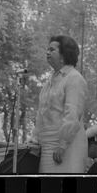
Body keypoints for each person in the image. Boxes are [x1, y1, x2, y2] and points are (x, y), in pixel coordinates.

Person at [31, 35, 88, 173]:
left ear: (64, 54)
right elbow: (41, 116)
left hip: (66, 147)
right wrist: (34, 140)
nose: (47, 52)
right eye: (47, 49)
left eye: (52, 50)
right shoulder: (48, 83)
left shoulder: (75, 78)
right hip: (45, 147)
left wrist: (62, 145)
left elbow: (73, 114)